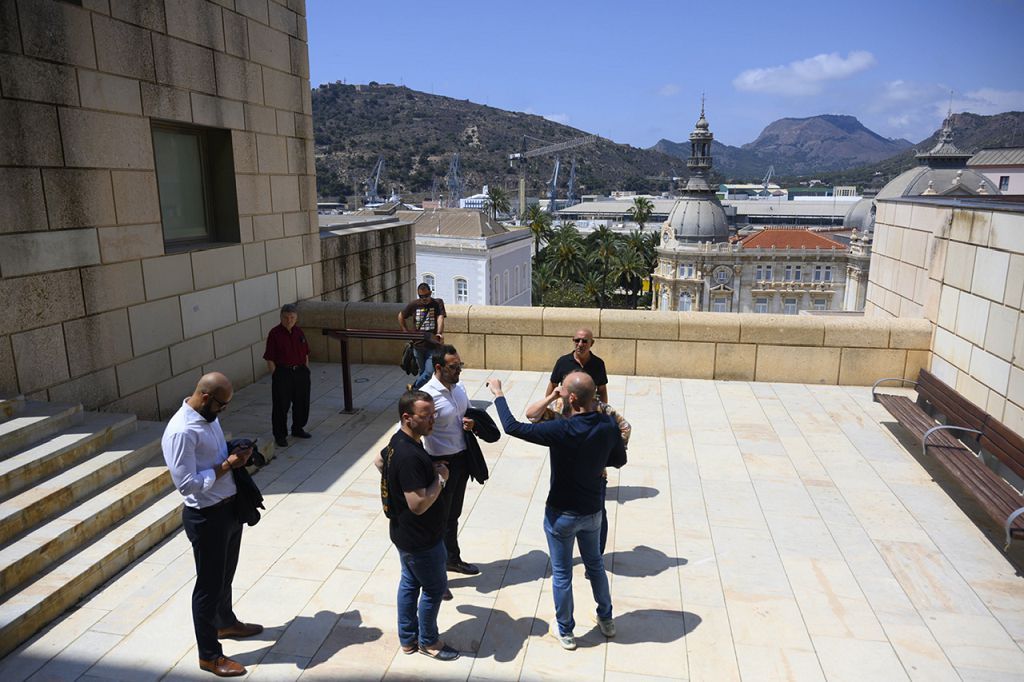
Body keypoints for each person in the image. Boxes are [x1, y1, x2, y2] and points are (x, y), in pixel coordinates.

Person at [488, 373, 620, 651]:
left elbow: (512, 427)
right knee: (595, 565)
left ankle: (567, 631)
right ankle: (606, 619)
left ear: (571, 398)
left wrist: (498, 394)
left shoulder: (562, 430)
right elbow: (619, 459)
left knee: (562, 574)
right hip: (593, 510)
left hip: (561, 515)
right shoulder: (608, 424)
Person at [161, 372, 263, 677]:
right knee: (208, 587)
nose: (223, 410)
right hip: (207, 518)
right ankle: (209, 655)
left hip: (229, 510)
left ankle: (225, 622)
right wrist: (228, 464)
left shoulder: (208, 417)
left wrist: (234, 451)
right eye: (221, 405)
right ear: (206, 398)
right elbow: (188, 484)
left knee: (224, 577)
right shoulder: (181, 431)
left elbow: (213, 457)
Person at [375, 391, 461, 661]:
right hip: (421, 539)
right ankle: (428, 641)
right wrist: (440, 478)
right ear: (407, 417)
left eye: (433, 414)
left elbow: (379, 461)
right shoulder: (410, 455)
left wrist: (414, 475)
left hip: (404, 534)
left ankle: (408, 639)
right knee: (435, 589)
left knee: (410, 583)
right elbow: (418, 504)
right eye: (426, 416)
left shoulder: (398, 441)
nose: (432, 420)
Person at [525, 370, 631, 553]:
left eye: (564, 387)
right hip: (564, 470)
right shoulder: (559, 406)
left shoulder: (602, 409)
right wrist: (551, 396)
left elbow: (625, 427)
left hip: (594, 473)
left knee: (597, 514)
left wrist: (603, 456)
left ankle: (595, 555)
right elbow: (532, 416)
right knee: (566, 514)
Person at [421, 345, 480, 578]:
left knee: (452, 515)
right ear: (438, 367)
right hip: (440, 463)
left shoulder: (459, 388)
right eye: (454, 367)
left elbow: (468, 413)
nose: (459, 371)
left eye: (460, 366)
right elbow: (410, 430)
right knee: (437, 519)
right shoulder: (427, 396)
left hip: (461, 460)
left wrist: (471, 424)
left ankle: (451, 560)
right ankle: (435, 573)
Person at [263, 303, 311, 448]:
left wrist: (306, 370)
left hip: (301, 372)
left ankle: (298, 428)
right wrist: (275, 375)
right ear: (281, 318)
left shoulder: (299, 332)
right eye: (286, 317)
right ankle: (280, 435)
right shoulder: (274, 334)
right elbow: (269, 357)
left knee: (301, 402)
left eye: (292, 317)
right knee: (281, 406)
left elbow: (306, 353)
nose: (289, 320)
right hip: (283, 373)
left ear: (296, 318)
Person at [398, 283, 446, 390]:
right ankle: (423, 395)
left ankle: (414, 388)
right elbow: (401, 315)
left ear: (430, 293)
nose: (424, 299)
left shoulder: (437, 303)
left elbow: (440, 317)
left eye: (426, 296)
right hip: (418, 345)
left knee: (428, 372)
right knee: (423, 372)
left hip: (432, 345)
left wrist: (439, 333)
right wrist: (405, 331)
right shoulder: (414, 305)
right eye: (421, 297)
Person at [546, 328, 609, 404]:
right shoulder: (562, 362)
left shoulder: (598, 364)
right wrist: (547, 407)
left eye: (584, 341)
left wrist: (603, 410)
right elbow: (553, 385)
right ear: (573, 340)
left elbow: (602, 390)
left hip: (588, 408)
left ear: (592, 343)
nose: (580, 344)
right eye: (577, 340)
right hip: (567, 407)